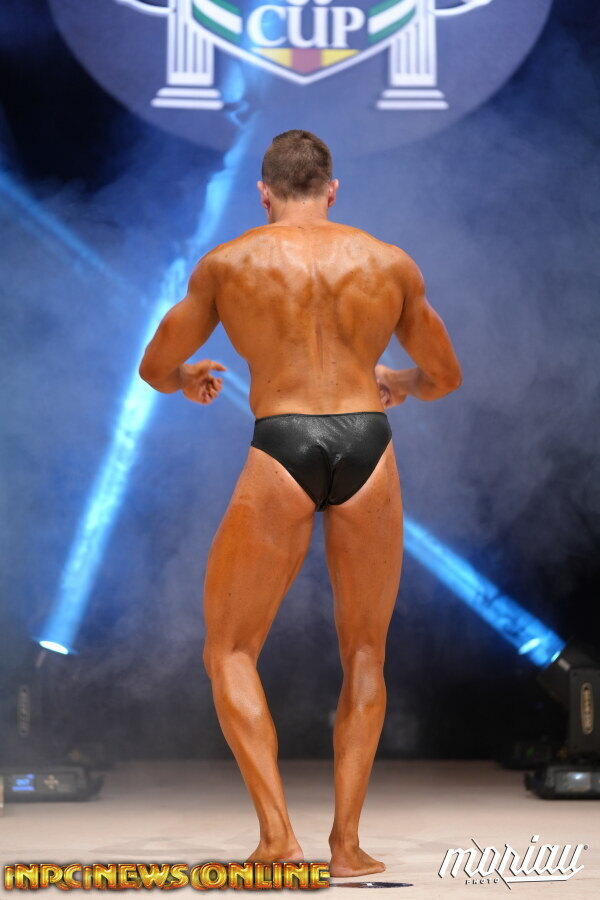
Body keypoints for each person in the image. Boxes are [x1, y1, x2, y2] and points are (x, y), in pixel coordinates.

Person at [139, 129, 462, 877]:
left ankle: (279, 840)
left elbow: (156, 366)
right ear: (332, 189)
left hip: (281, 440)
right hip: (368, 444)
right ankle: (347, 847)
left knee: (229, 650)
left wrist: (187, 378)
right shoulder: (389, 262)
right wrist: (400, 381)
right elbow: (444, 376)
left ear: (263, 192)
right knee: (366, 652)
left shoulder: (228, 264)